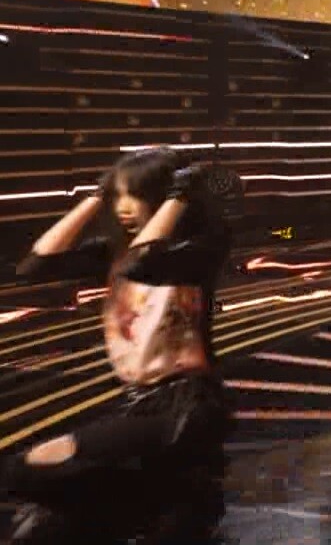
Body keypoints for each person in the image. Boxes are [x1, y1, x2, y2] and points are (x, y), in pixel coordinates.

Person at [3, 149, 232, 543]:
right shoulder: (114, 252)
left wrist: (180, 196)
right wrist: (96, 196)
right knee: (31, 499)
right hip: (138, 403)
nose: (123, 207)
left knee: (25, 473)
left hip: (187, 406)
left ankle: (175, 502)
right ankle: (167, 502)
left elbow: (142, 264)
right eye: (118, 196)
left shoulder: (199, 249)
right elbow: (37, 263)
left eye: (135, 195)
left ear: (163, 196)